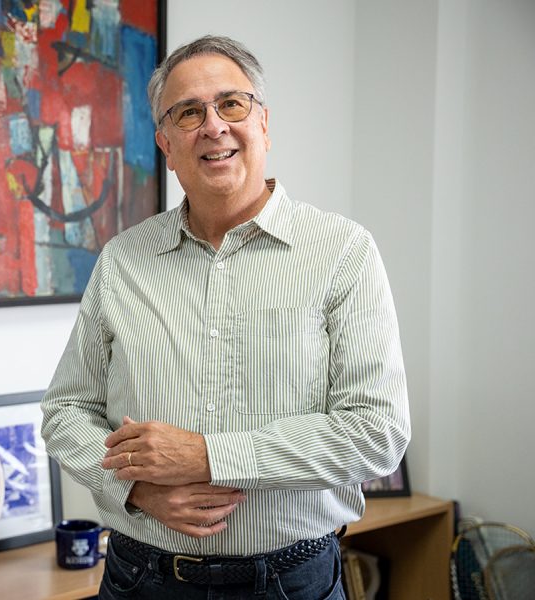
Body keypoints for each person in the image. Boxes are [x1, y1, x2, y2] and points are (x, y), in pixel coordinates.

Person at [41, 35, 410, 599]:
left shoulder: (343, 252)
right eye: (189, 112)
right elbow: (66, 411)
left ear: (263, 123)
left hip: (291, 583)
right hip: (141, 580)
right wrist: (135, 488)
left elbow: (376, 431)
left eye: (231, 104)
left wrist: (208, 457)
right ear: (166, 144)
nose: (213, 126)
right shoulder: (122, 261)